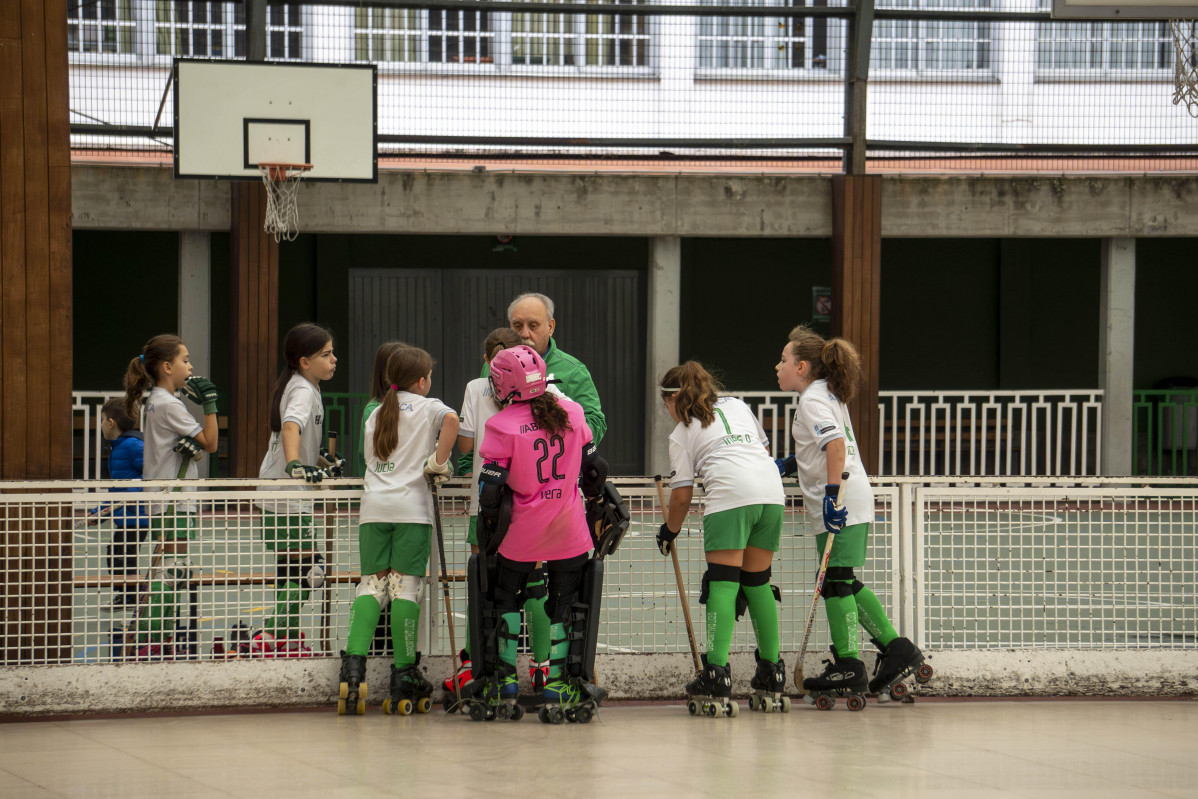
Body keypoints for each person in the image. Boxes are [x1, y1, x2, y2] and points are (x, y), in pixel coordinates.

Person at [467, 344, 619, 722]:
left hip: (522, 532)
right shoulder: (571, 411)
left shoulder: (501, 425)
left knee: (504, 599)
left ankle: (504, 682)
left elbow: (491, 491)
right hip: (568, 528)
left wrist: (488, 528)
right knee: (564, 603)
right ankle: (558, 683)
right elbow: (594, 467)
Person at [775, 324, 926, 700]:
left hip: (842, 498)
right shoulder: (824, 393)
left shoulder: (812, 399)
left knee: (836, 581)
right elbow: (821, 446)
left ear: (803, 367)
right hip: (851, 495)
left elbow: (836, 447)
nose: (777, 366)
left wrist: (831, 497)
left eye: (784, 359)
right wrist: (791, 463)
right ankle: (896, 650)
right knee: (840, 579)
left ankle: (849, 665)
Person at [654, 362, 788, 716]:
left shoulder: (682, 432)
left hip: (730, 498)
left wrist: (669, 530)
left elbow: (681, 497)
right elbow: (762, 446)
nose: (667, 411)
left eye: (665, 403)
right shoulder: (739, 405)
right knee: (758, 583)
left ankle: (715, 673)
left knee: (724, 585)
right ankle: (772, 672)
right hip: (772, 494)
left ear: (673, 398)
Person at [338, 345, 459, 715]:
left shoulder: (375, 411)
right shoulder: (428, 405)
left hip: (374, 510)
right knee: (406, 587)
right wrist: (439, 462)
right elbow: (453, 421)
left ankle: (353, 671)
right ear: (422, 380)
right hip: (411, 510)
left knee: (371, 585)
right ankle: (404, 671)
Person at [239, 323, 343, 658]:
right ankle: (270, 632)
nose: (333, 359)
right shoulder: (301, 390)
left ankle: (284, 635)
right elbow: (289, 427)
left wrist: (320, 459)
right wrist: (296, 464)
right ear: (304, 361)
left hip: (277, 495)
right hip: (286, 495)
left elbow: (295, 435)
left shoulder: (303, 386)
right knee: (312, 571)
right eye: (326, 354)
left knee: (291, 571)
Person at [443, 327, 530, 698]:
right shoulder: (542, 390)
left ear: (486, 360)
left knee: (482, 584)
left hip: (487, 500)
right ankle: (540, 667)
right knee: (532, 584)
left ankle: (474, 664)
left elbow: (465, 442)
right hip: (531, 501)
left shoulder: (476, 387)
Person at [121, 334, 220, 659]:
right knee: (175, 569)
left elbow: (192, 449)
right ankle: (152, 639)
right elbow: (211, 442)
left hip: (164, 496)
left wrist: (191, 452)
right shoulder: (169, 403)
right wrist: (209, 404)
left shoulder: (154, 401)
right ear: (167, 366)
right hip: (174, 499)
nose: (191, 366)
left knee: (170, 566)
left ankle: (157, 637)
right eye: (185, 360)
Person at [502, 292, 607, 445]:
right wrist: (468, 467)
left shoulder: (573, 371)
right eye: (517, 326)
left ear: (550, 327)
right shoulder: (493, 366)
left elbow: (596, 424)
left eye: (533, 326)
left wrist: (556, 435)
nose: (524, 334)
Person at [92, 399, 149, 614]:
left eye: (102, 420)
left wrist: (129, 497)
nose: (101, 424)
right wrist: (98, 513)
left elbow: (151, 477)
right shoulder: (119, 447)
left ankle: (132, 596)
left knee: (121, 553)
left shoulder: (134, 446)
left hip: (136, 515)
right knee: (121, 553)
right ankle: (131, 595)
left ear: (111, 423)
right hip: (126, 515)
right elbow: (118, 491)